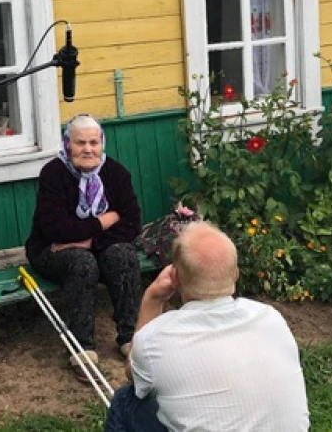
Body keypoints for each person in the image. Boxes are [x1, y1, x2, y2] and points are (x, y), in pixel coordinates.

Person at [106, 221, 310, 432]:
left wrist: (152, 299)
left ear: (175, 277)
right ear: (236, 273)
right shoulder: (271, 319)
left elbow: (135, 376)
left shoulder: (156, 337)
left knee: (126, 400)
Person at [25, 114, 143, 375]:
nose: (88, 149)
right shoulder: (53, 174)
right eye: (80, 143)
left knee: (123, 255)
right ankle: (81, 347)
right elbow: (54, 228)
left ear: (102, 143)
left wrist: (89, 240)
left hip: (91, 247)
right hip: (49, 250)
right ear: (68, 145)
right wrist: (102, 222)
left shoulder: (116, 174)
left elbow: (131, 224)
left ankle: (129, 337)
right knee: (81, 262)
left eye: (94, 142)